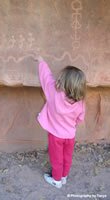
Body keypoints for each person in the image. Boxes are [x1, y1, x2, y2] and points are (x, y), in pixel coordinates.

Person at [33, 55, 86, 189]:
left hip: (56, 136)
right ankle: (64, 177)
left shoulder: (54, 93)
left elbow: (46, 78)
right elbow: (80, 118)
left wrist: (41, 61)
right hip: (70, 135)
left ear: (63, 82)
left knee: (56, 159)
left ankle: (56, 180)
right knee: (67, 157)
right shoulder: (80, 102)